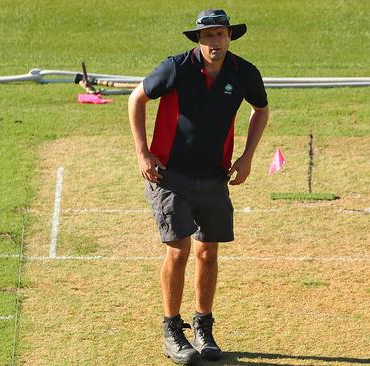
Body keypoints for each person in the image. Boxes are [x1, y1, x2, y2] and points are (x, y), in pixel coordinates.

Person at [127, 9, 269, 365]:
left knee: (208, 251)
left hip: (214, 177)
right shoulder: (175, 68)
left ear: (229, 37)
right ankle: (172, 330)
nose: (214, 42)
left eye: (220, 35)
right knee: (179, 250)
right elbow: (136, 99)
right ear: (199, 40)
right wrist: (143, 153)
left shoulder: (244, 73)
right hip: (169, 176)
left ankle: (203, 327)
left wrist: (247, 156)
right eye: (208, 36)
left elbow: (261, 110)